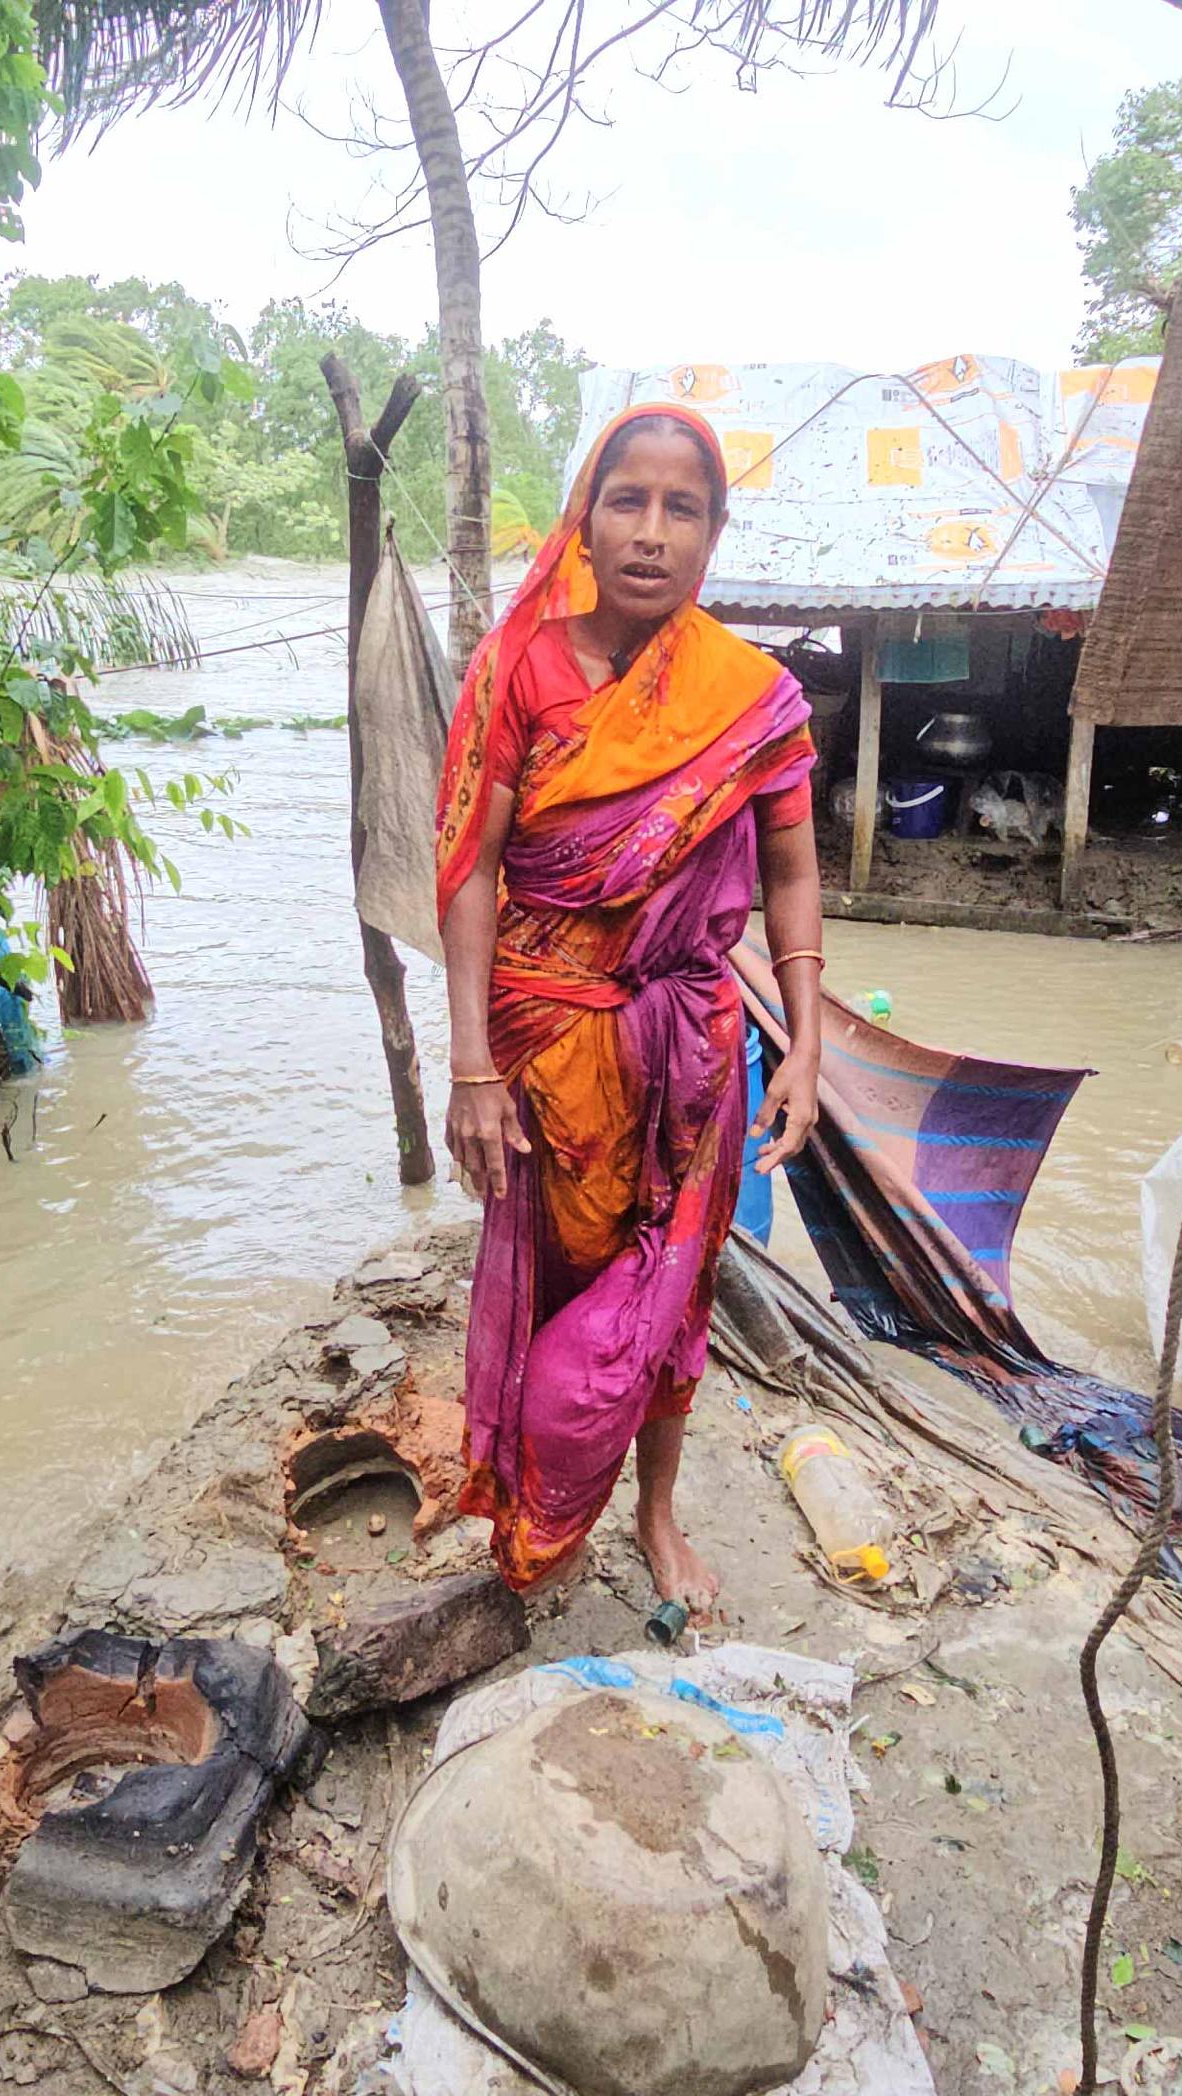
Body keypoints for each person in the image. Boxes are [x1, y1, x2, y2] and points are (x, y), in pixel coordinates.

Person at [431, 402, 826, 1618]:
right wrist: (468, 1066)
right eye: (628, 501)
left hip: (696, 1054)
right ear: (585, 520)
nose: (652, 532)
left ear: (714, 533)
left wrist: (806, 1043)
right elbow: (468, 868)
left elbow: (794, 873)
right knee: (555, 1295)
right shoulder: (520, 669)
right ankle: (531, 1501)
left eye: (683, 508)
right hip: (548, 1053)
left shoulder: (749, 697)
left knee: (673, 1302)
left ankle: (656, 1514)